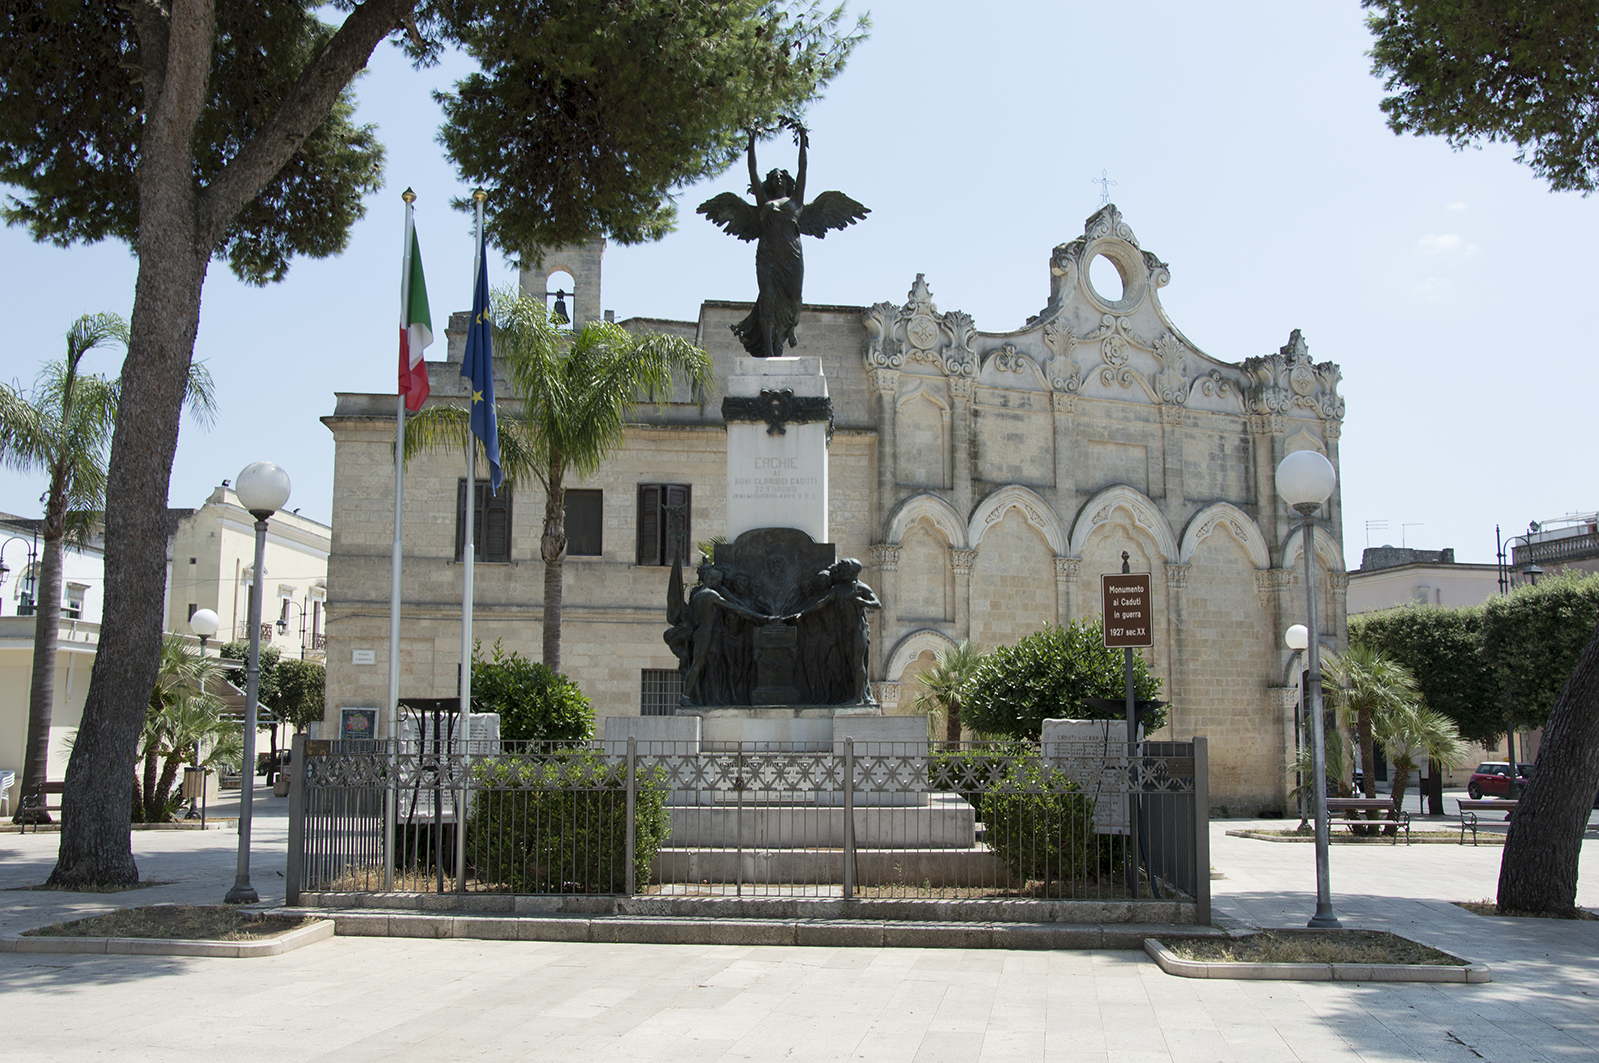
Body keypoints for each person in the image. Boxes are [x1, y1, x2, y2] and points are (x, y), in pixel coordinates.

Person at [698, 124, 869, 358]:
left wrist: (802, 138)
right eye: (774, 176)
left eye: (782, 176)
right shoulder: (763, 203)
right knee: (767, 297)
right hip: (767, 256)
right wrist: (751, 141)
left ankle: (789, 329)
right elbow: (752, 172)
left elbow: (803, 169)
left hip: (792, 255)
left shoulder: (797, 202)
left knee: (795, 299)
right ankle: (768, 350)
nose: (778, 178)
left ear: (788, 182)